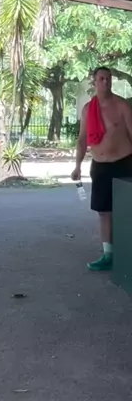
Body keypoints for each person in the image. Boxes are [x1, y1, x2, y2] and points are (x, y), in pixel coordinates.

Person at [71, 66, 132, 271]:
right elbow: (82, 140)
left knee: (125, 210)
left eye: (108, 78)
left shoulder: (122, 106)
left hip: (124, 163)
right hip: (100, 166)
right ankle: (108, 254)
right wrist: (77, 166)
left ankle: (127, 251)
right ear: (94, 82)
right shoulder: (88, 109)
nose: (106, 82)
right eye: (102, 78)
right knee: (104, 212)